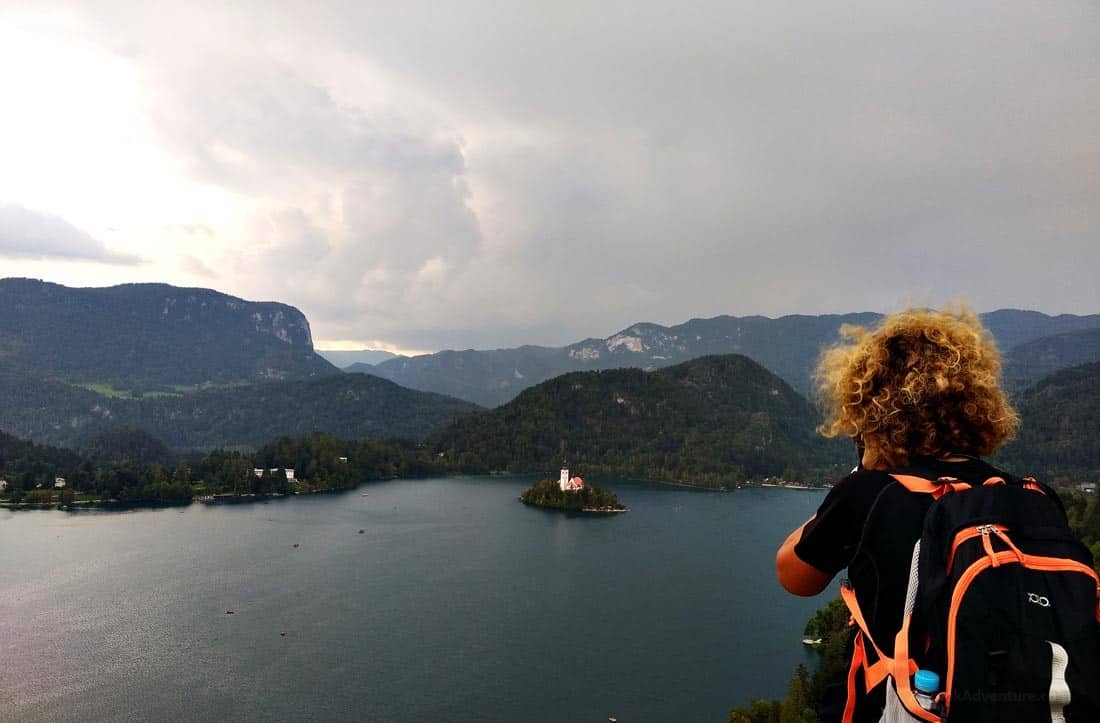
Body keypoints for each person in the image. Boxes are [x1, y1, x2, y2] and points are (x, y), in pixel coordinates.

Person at [775, 306, 1029, 720]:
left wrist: (858, 475)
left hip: (893, 707)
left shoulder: (869, 492)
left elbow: (794, 576)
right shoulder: (1020, 493)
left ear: (870, 405)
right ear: (974, 403)